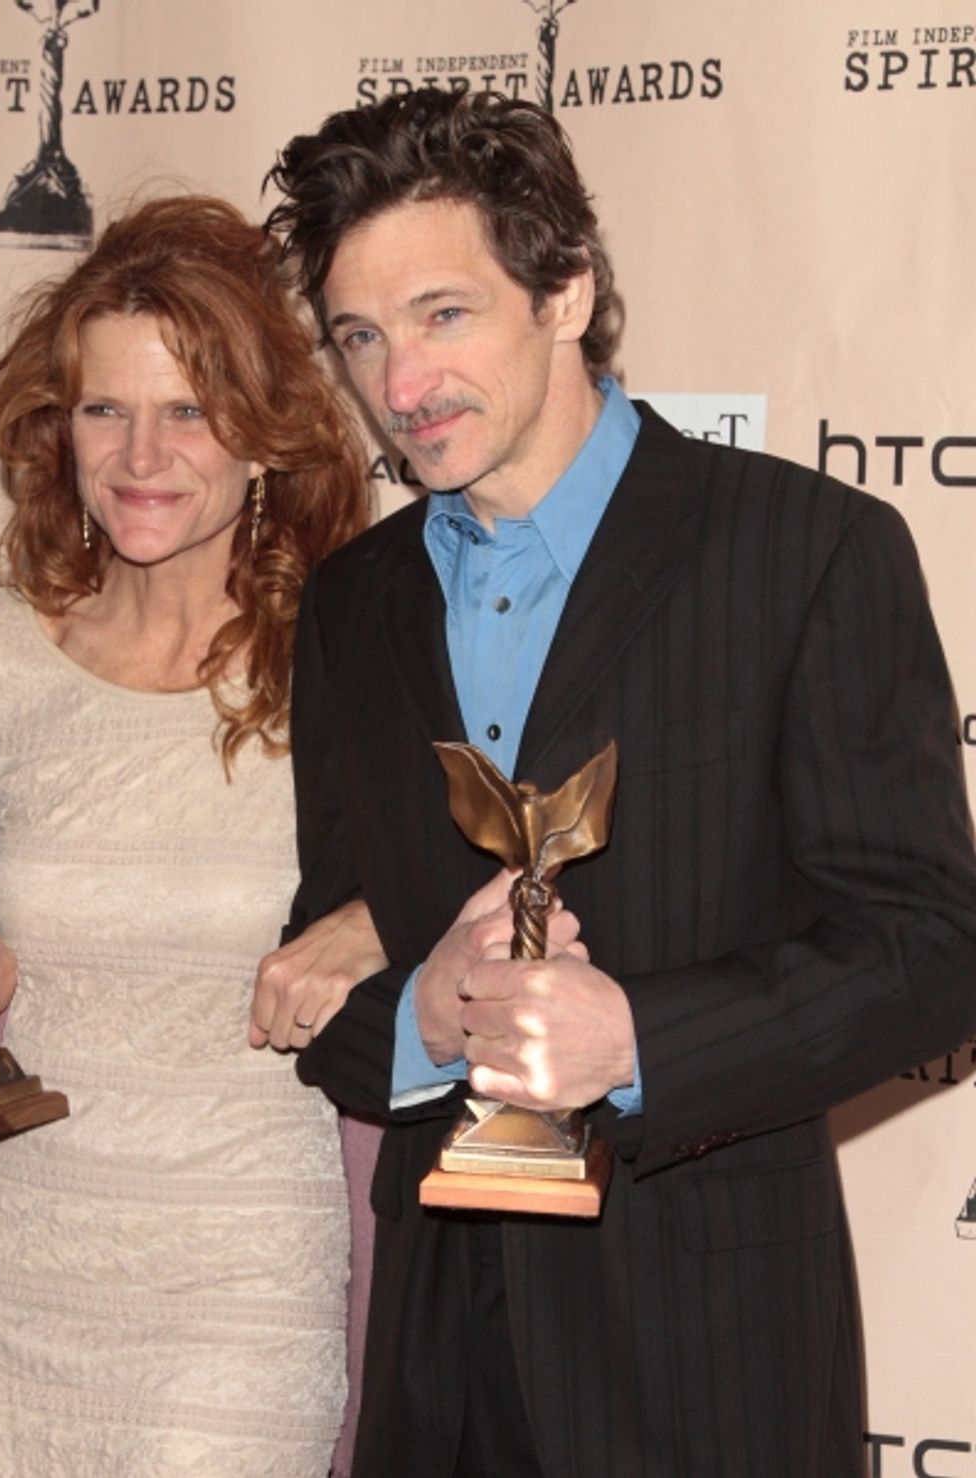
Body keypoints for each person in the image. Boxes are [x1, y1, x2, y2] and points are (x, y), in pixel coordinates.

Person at [263, 87, 976, 1478]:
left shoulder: (804, 551)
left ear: (567, 291)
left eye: (444, 313)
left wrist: (639, 1042)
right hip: (433, 1374)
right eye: (362, 334)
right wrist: (421, 1010)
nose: (400, 382)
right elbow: (328, 972)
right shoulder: (353, 606)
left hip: (708, 1359)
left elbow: (933, 950)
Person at [0, 195, 381, 1478]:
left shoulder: (359, 656)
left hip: (247, 1277)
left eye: (188, 410)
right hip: (15, 1271)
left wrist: (377, 927)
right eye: (106, 408)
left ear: (265, 435)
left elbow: (461, 911)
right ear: (59, 427)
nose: (142, 453)